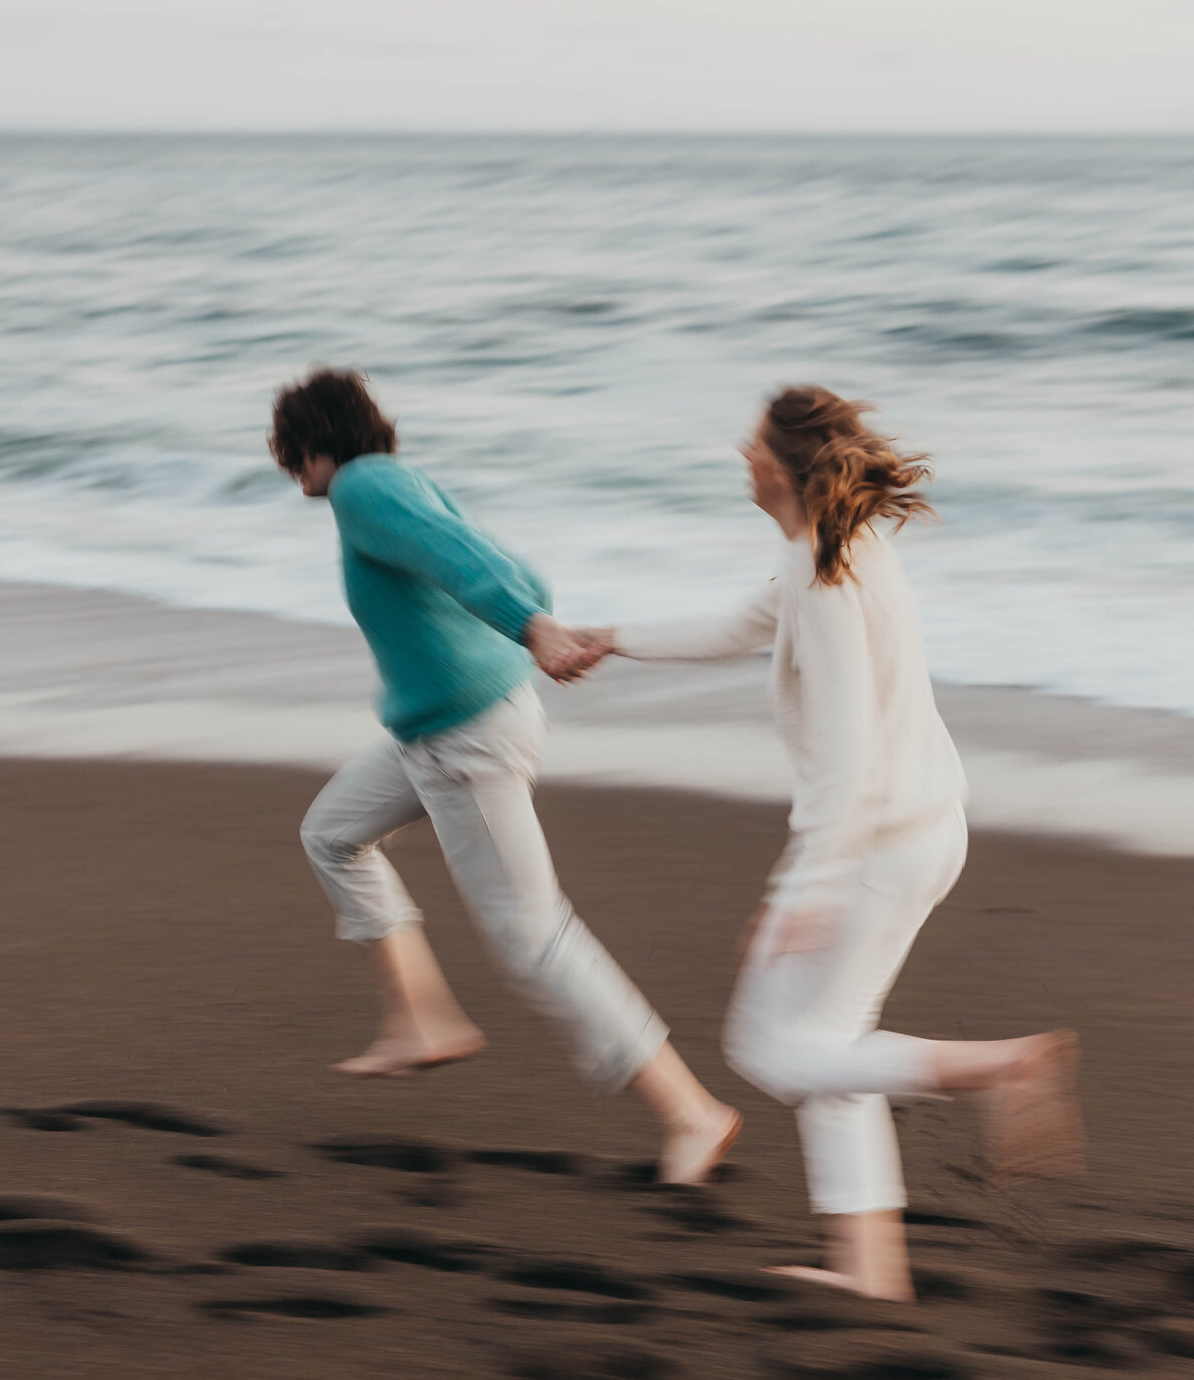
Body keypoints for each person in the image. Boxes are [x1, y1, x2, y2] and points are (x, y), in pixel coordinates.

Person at [567, 386, 1083, 1299]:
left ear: (783, 466)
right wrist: (614, 640)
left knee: (770, 1048)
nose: (741, 451)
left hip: (878, 844)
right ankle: (870, 1270)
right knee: (827, 1043)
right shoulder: (829, 554)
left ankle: (997, 1067)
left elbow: (848, 757)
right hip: (914, 832)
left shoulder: (824, 571)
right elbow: (740, 626)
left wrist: (803, 889)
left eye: (753, 443)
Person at [267, 367, 740, 1185]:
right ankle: (420, 1018)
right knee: (333, 834)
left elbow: (464, 559)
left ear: (310, 443)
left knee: (532, 935)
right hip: (439, 733)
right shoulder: (399, 483)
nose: (291, 475)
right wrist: (532, 620)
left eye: (288, 455)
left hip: (467, 739)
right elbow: (509, 563)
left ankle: (691, 1110)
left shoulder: (361, 486)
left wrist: (533, 628)